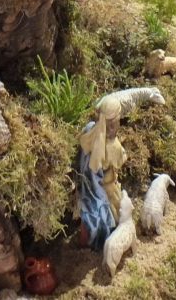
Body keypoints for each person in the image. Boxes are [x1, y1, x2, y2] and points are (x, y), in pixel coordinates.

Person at [77, 96, 127, 250]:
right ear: (114, 122)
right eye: (118, 120)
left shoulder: (89, 129)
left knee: (87, 218)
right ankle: (104, 244)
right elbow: (120, 161)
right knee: (114, 215)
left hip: (86, 188)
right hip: (106, 188)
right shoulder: (113, 146)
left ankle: (85, 242)